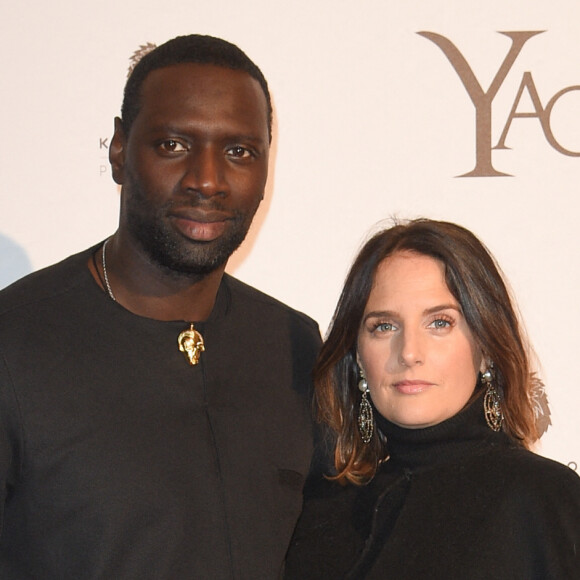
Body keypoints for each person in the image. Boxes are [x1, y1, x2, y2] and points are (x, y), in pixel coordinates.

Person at [0, 35, 321, 579]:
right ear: (120, 150)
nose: (207, 180)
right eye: (174, 145)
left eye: (239, 151)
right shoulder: (17, 340)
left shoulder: (292, 344)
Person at [285, 219, 580, 579]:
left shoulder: (544, 500)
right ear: (358, 356)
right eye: (384, 326)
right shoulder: (314, 511)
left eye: (439, 323)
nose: (409, 353)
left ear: (486, 346)